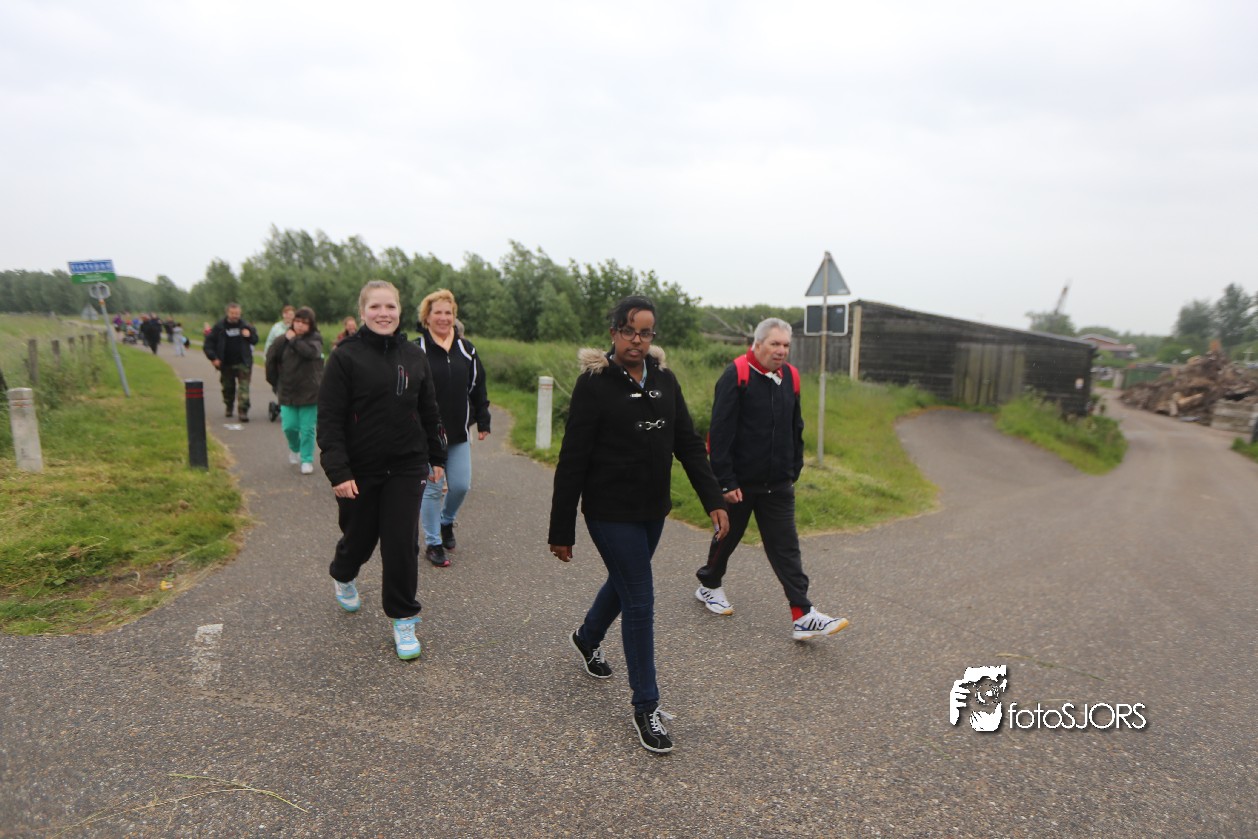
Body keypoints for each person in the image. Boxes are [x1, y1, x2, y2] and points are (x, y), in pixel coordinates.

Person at [548, 295, 730, 754]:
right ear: (613, 332)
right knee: (640, 600)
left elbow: (688, 443)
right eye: (629, 331)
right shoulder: (594, 385)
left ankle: (587, 637)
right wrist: (561, 528)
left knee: (625, 583)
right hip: (609, 512)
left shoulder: (664, 379)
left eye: (645, 333)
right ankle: (646, 704)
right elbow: (572, 460)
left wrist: (713, 498)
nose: (636, 340)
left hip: (652, 511)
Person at [694, 317, 850, 641]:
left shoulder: (790, 376)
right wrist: (726, 481)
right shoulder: (736, 374)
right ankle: (709, 584)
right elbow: (719, 434)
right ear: (758, 343)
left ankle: (803, 614)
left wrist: (794, 467)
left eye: (786, 345)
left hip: (778, 482)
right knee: (727, 536)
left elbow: (796, 424)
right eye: (775, 344)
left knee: (785, 547)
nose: (781, 351)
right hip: (740, 483)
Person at [317, 281, 447, 661]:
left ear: (399, 311)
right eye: (375, 307)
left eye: (390, 306)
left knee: (401, 543)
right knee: (359, 538)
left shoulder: (414, 356)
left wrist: (437, 457)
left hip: (407, 465)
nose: (383, 313)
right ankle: (343, 573)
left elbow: (429, 410)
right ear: (362, 312)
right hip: (359, 469)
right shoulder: (345, 357)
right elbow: (329, 420)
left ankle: (404, 618)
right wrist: (339, 471)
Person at [414, 289, 491, 567]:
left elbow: (478, 386)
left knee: (460, 485)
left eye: (448, 313)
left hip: (458, 433)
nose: (443, 318)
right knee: (433, 489)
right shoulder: (416, 349)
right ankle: (433, 542)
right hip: (427, 435)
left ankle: (446, 521)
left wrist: (483, 419)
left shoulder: (466, 349)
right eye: (438, 312)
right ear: (427, 316)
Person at [266, 307, 323, 474]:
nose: (300, 325)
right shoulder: (281, 340)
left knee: (307, 429)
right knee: (289, 427)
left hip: (310, 391)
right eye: (297, 321)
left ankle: (306, 459)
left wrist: (294, 340)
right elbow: (270, 360)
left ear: (311, 325)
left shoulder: (315, 339)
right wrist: (275, 382)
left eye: (305, 323)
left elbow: (311, 353)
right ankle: (295, 447)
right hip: (287, 391)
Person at [203, 303, 259, 421]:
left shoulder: (246, 326)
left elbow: (255, 340)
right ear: (227, 313)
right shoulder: (219, 327)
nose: (235, 316)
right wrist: (213, 358)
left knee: (244, 388)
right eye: (232, 313)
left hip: (243, 362)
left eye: (237, 313)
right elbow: (208, 344)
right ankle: (229, 405)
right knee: (228, 388)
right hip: (226, 363)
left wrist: (249, 335)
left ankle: (243, 411)